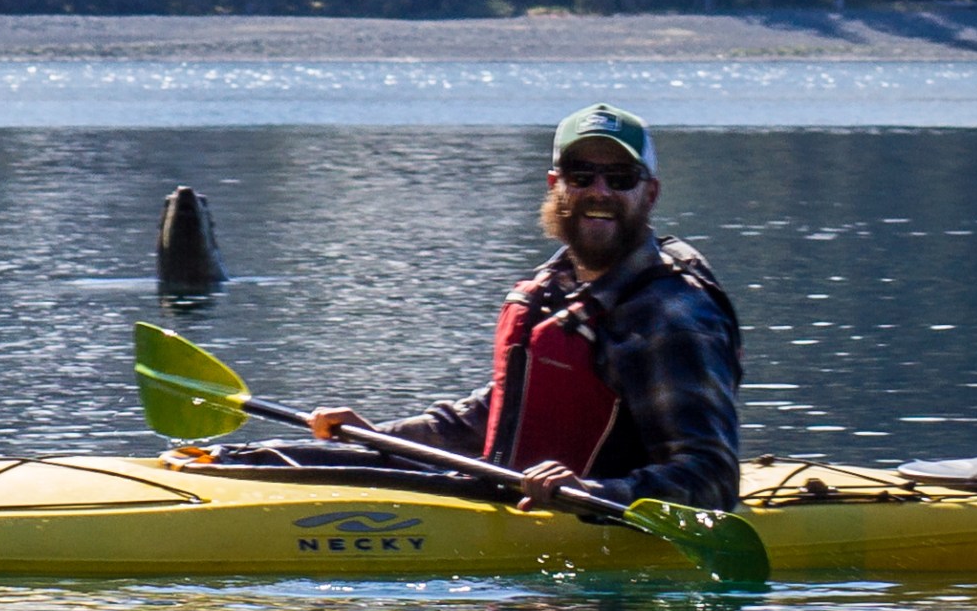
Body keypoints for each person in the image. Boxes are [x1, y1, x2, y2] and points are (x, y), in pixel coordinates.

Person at [307, 103, 743, 511]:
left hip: (597, 533)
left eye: (621, 178)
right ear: (556, 186)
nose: (600, 191)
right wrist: (379, 438)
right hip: (513, 503)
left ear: (650, 194)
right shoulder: (555, 288)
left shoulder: (672, 316)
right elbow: (500, 410)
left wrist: (590, 493)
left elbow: (713, 478)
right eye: (581, 175)